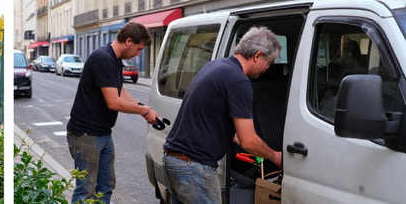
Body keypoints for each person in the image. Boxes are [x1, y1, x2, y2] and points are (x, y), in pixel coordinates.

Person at [163, 26, 283, 204]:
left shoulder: (216, 66)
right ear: (257, 55)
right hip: (194, 168)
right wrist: (275, 156)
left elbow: (216, 122)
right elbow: (248, 141)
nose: (267, 68)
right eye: (269, 62)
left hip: (175, 160)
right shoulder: (239, 81)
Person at [66, 22, 160, 204]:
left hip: (102, 134)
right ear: (128, 41)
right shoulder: (103, 59)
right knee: (85, 190)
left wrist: (144, 109)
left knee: (106, 185)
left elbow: (120, 91)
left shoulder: (114, 60)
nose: (138, 54)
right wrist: (143, 111)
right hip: (86, 135)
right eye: (138, 49)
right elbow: (113, 102)